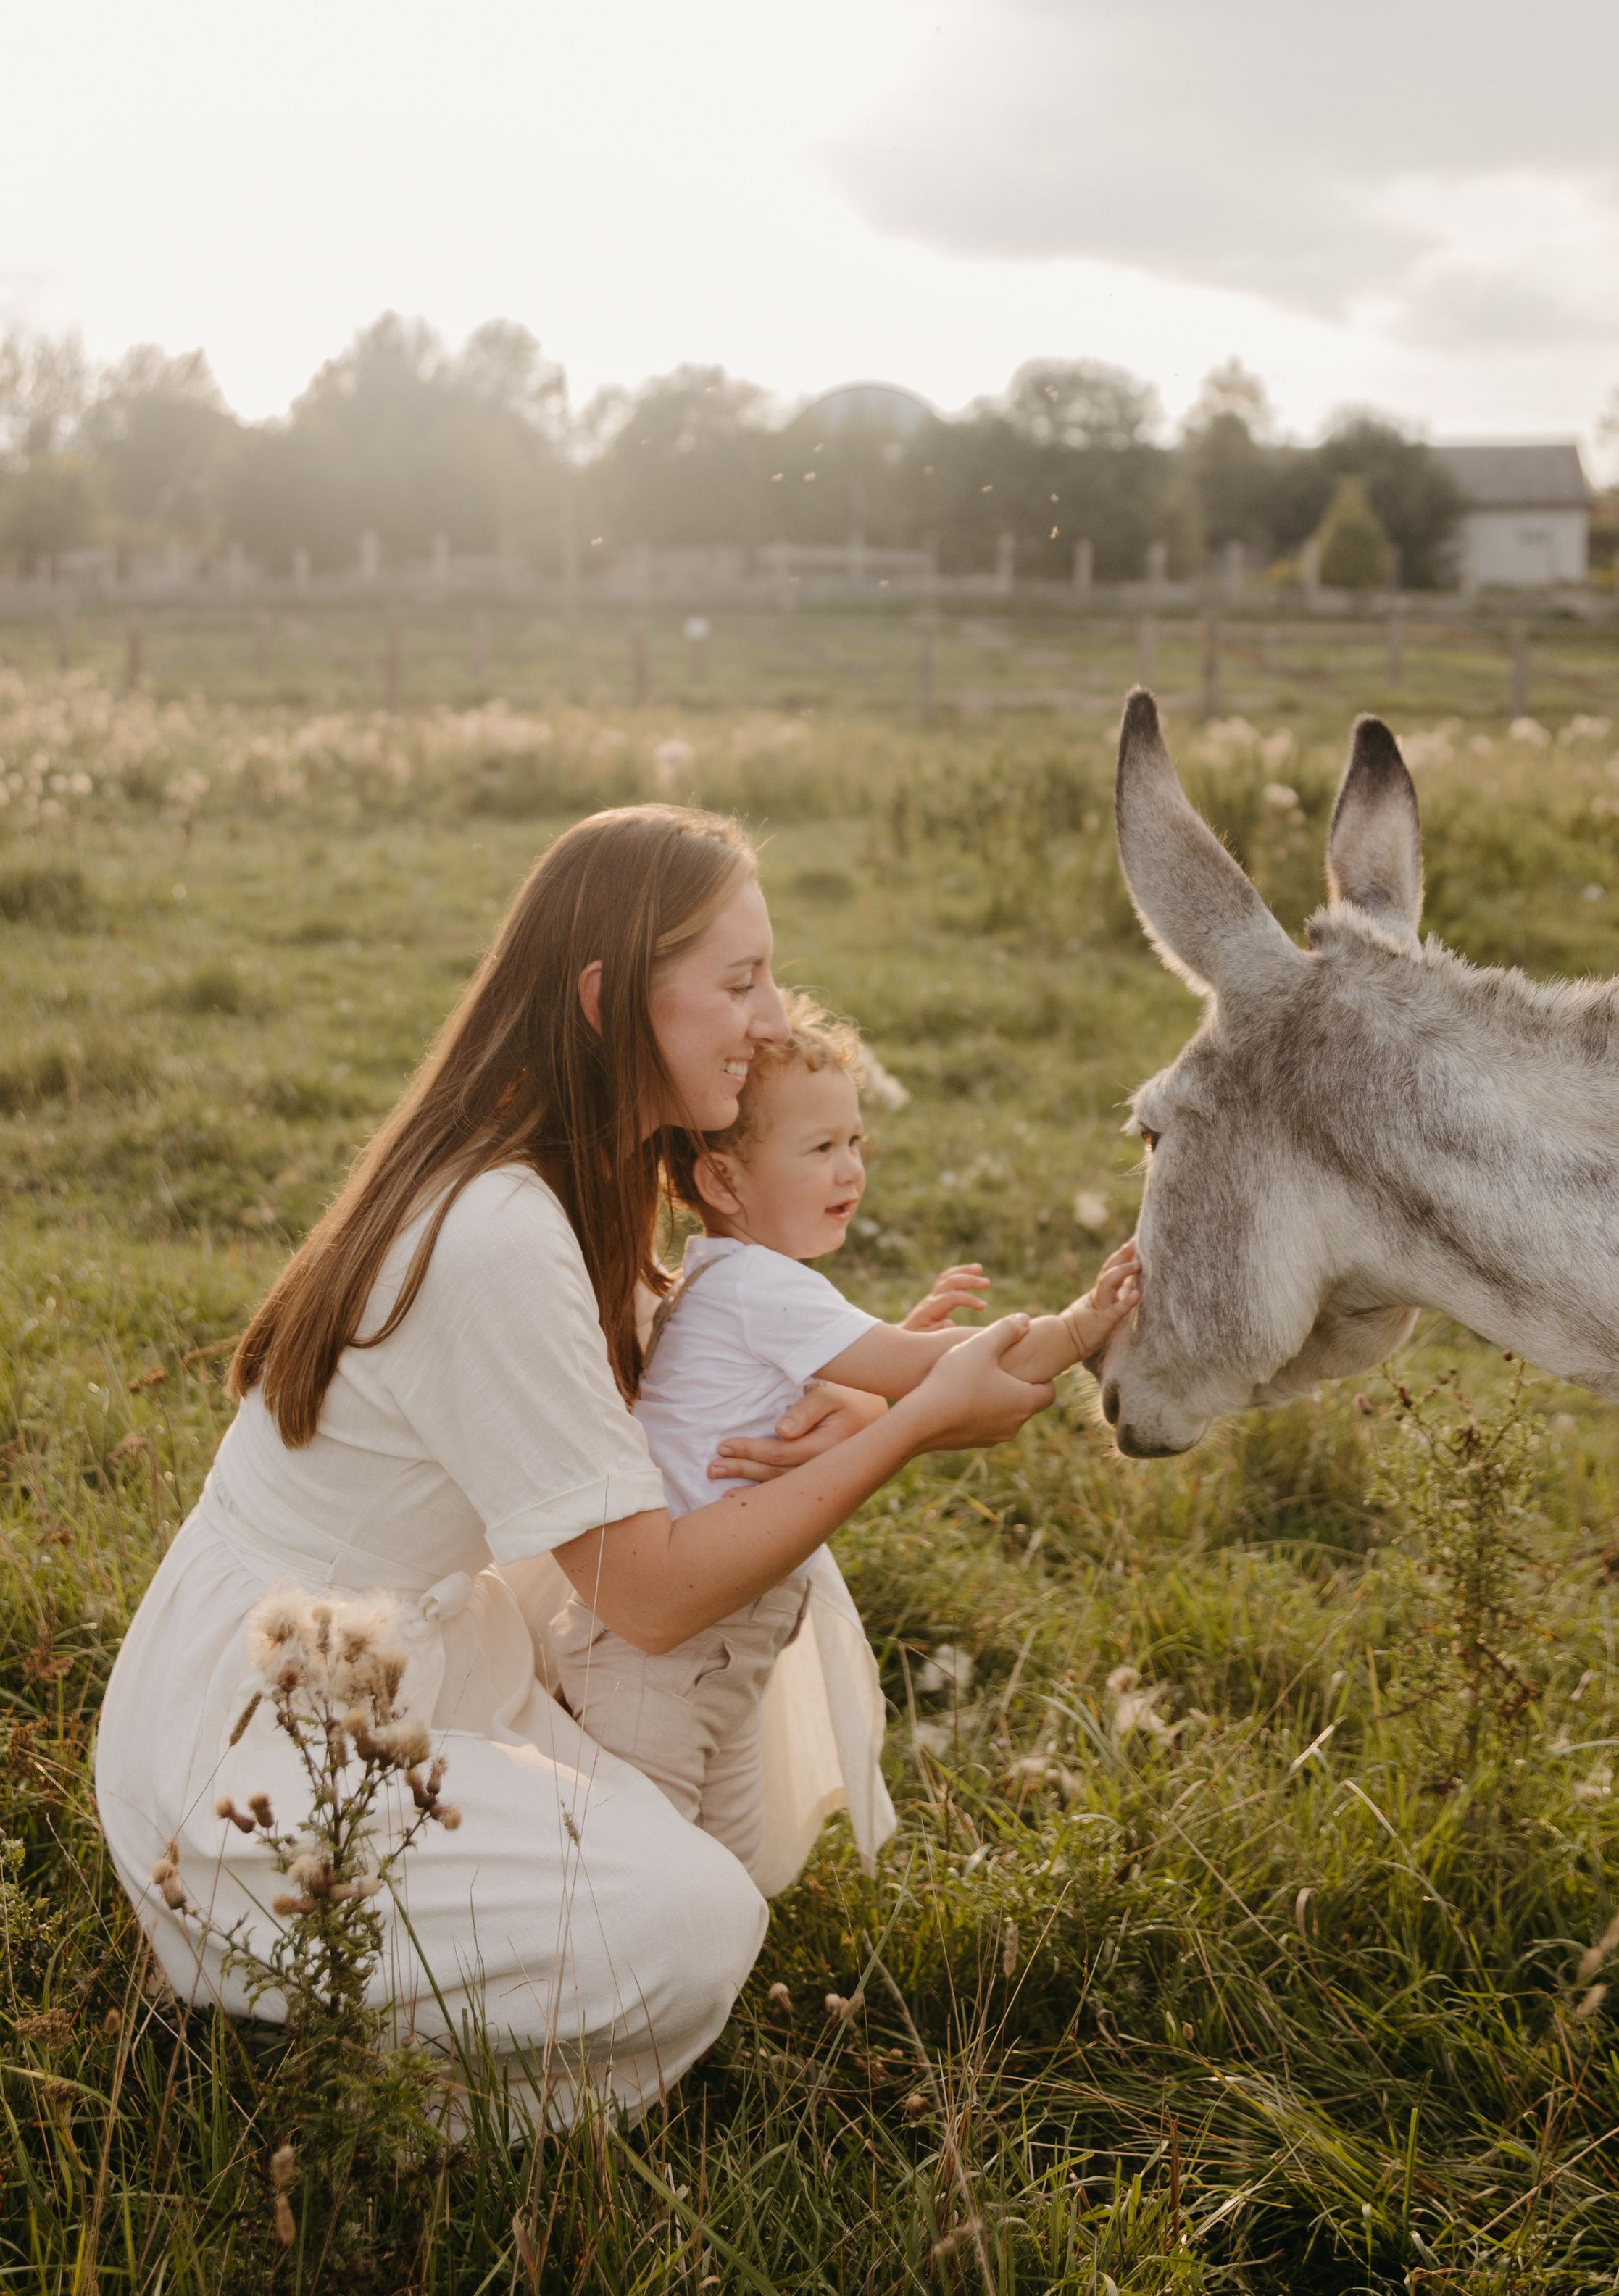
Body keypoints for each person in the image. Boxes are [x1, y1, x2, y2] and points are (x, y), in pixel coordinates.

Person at [93, 804, 1057, 2124]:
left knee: (759, 1589)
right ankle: (324, 2092)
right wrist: (905, 1426)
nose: (774, 1020)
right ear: (608, 999)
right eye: (738, 982)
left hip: (421, 1647)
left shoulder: (560, 1164)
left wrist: (846, 1407)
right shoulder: (496, 1224)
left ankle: (374, 1991)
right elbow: (649, 1595)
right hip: (276, 1713)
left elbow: (675, 1398)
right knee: (698, 1924)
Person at [535, 990, 1139, 1887]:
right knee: (637, 1886)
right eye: (820, 1150)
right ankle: (600, 2015)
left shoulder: (741, 1282)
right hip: (654, 1670)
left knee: (723, 1874)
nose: (851, 1171)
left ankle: (690, 2002)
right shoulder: (762, 1290)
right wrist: (1083, 1325)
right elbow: (945, 1366)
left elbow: (824, 1381)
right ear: (723, 1182)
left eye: (855, 1143)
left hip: (715, 1651)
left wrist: (886, 1352)